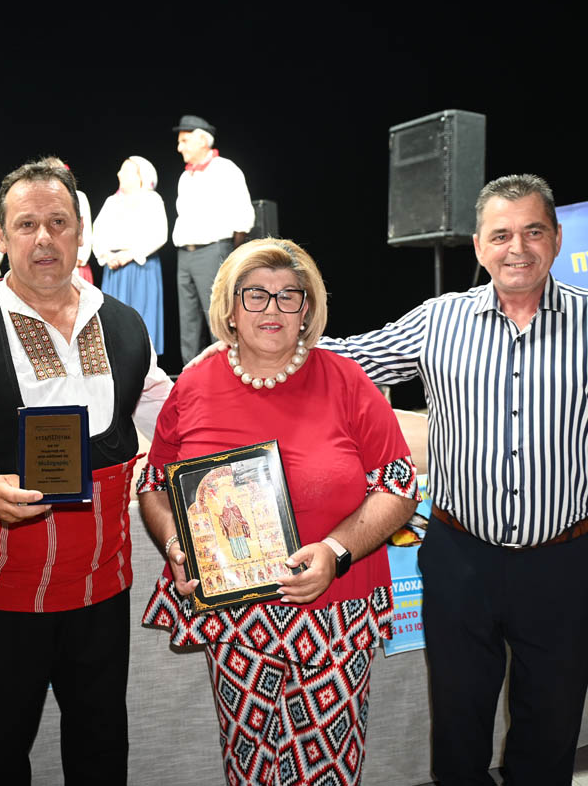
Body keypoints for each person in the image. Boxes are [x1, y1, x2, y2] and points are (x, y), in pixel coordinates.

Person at [322, 174, 588, 784]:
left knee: (550, 732)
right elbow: (348, 361)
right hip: (460, 559)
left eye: (533, 231)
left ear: (556, 238)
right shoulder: (438, 320)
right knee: (458, 731)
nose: (518, 248)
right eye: (501, 235)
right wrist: (260, 346)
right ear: (479, 246)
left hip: (565, 564)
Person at [0, 159, 173, 784]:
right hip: (3, 582)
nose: (44, 238)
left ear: (81, 232)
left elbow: (173, 415)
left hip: (101, 583)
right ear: (1, 236)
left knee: (101, 747)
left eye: (58, 222)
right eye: (26, 225)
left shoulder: (125, 324)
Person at [138, 238, 420, 785]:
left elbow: (399, 484)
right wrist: (177, 544)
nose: (273, 308)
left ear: (307, 310)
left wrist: (336, 551)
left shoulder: (347, 380)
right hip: (236, 619)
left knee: (327, 771)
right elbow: (155, 484)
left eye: (289, 295)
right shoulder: (192, 386)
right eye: (256, 295)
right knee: (249, 768)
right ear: (229, 309)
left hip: (334, 614)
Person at [171, 114, 254, 364]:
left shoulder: (225, 169)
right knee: (188, 321)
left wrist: (230, 255)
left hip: (213, 251)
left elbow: (243, 216)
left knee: (217, 316)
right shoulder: (185, 177)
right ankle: (191, 373)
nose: (179, 147)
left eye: (184, 141)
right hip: (185, 254)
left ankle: (227, 369)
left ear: (202, 140)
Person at [93, 155, 167, 355]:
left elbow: (159, 234)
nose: (119, 174)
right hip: (115, 269)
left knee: (141, 319)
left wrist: (130, 254)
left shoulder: (152, 199)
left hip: (141, 267)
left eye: (125, 170)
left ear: (140, 176)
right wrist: (107, 255)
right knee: (114, 322)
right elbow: (97, 232)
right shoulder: (111, 201)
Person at [40, 156, 95, 285]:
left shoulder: (78, 197)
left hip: (73, 265)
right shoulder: (38, 200)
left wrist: (79, 258)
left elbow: (85, 231)